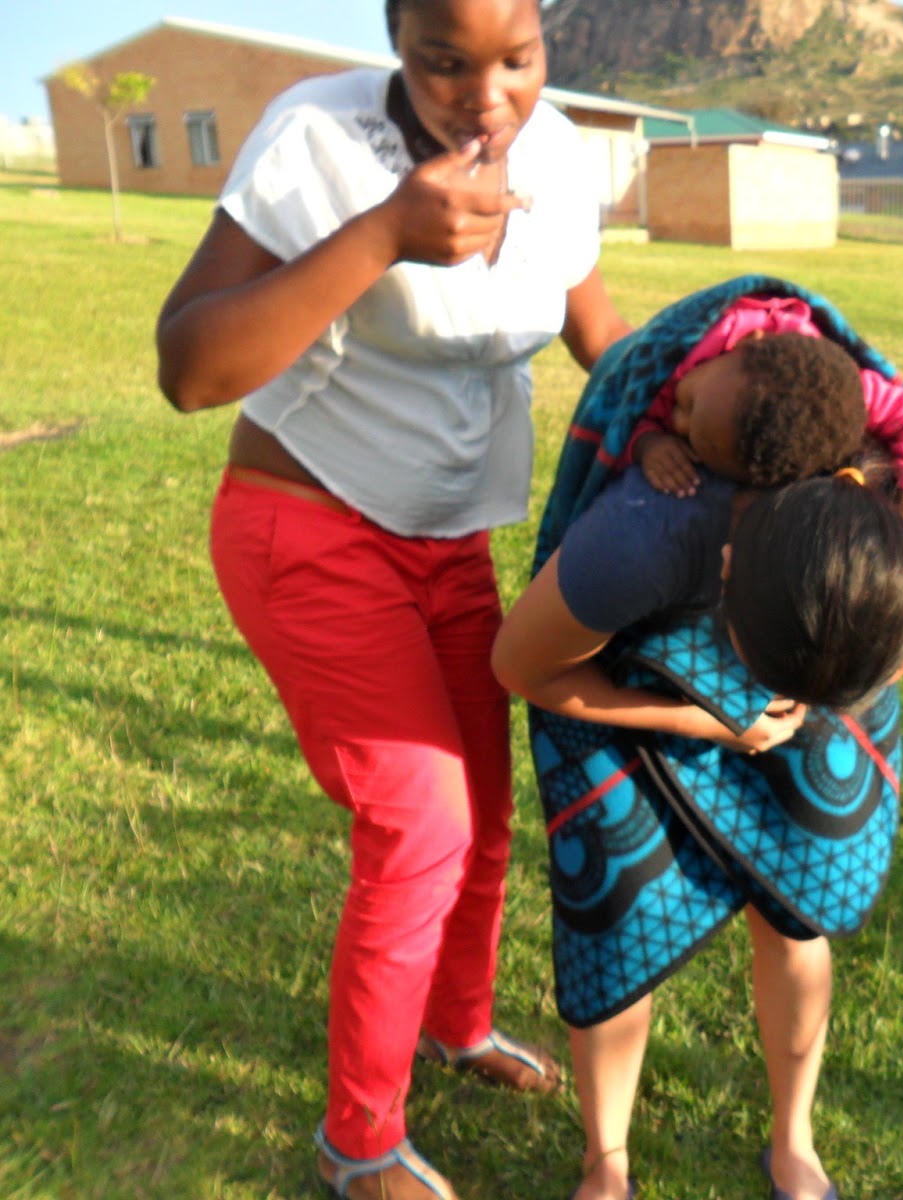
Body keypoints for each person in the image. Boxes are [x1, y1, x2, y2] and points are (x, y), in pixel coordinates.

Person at [154, 2, 630, 1197]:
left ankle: (457, 1024)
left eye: (516, 60)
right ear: (395, 41)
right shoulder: (314, 139)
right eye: (443, 64)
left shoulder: (556, 153)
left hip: (451, 545)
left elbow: (597, 330)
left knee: (486, 812)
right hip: (308, 529)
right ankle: (357, 1142)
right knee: (421, 826)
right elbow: (190, 369)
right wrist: (382, 234)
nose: (486, 96)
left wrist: (714, 392)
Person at [491, 279, 903, 1200]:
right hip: (637, 695)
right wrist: (695, 717)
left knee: (795, 909)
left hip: (817, 686)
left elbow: (899, 651)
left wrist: (811, 703)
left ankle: (794, 1140)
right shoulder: (644, 534)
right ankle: (606, 1162)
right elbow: (525, 666)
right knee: (622, 919)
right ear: (728, 566)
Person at [624, 294, 903, 533]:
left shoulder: (834, 403)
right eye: (688, 403)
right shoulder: (689, 350)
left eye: (688, 412)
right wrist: (647, 442)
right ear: (747, 343)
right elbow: (624, 409)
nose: (676, 422)